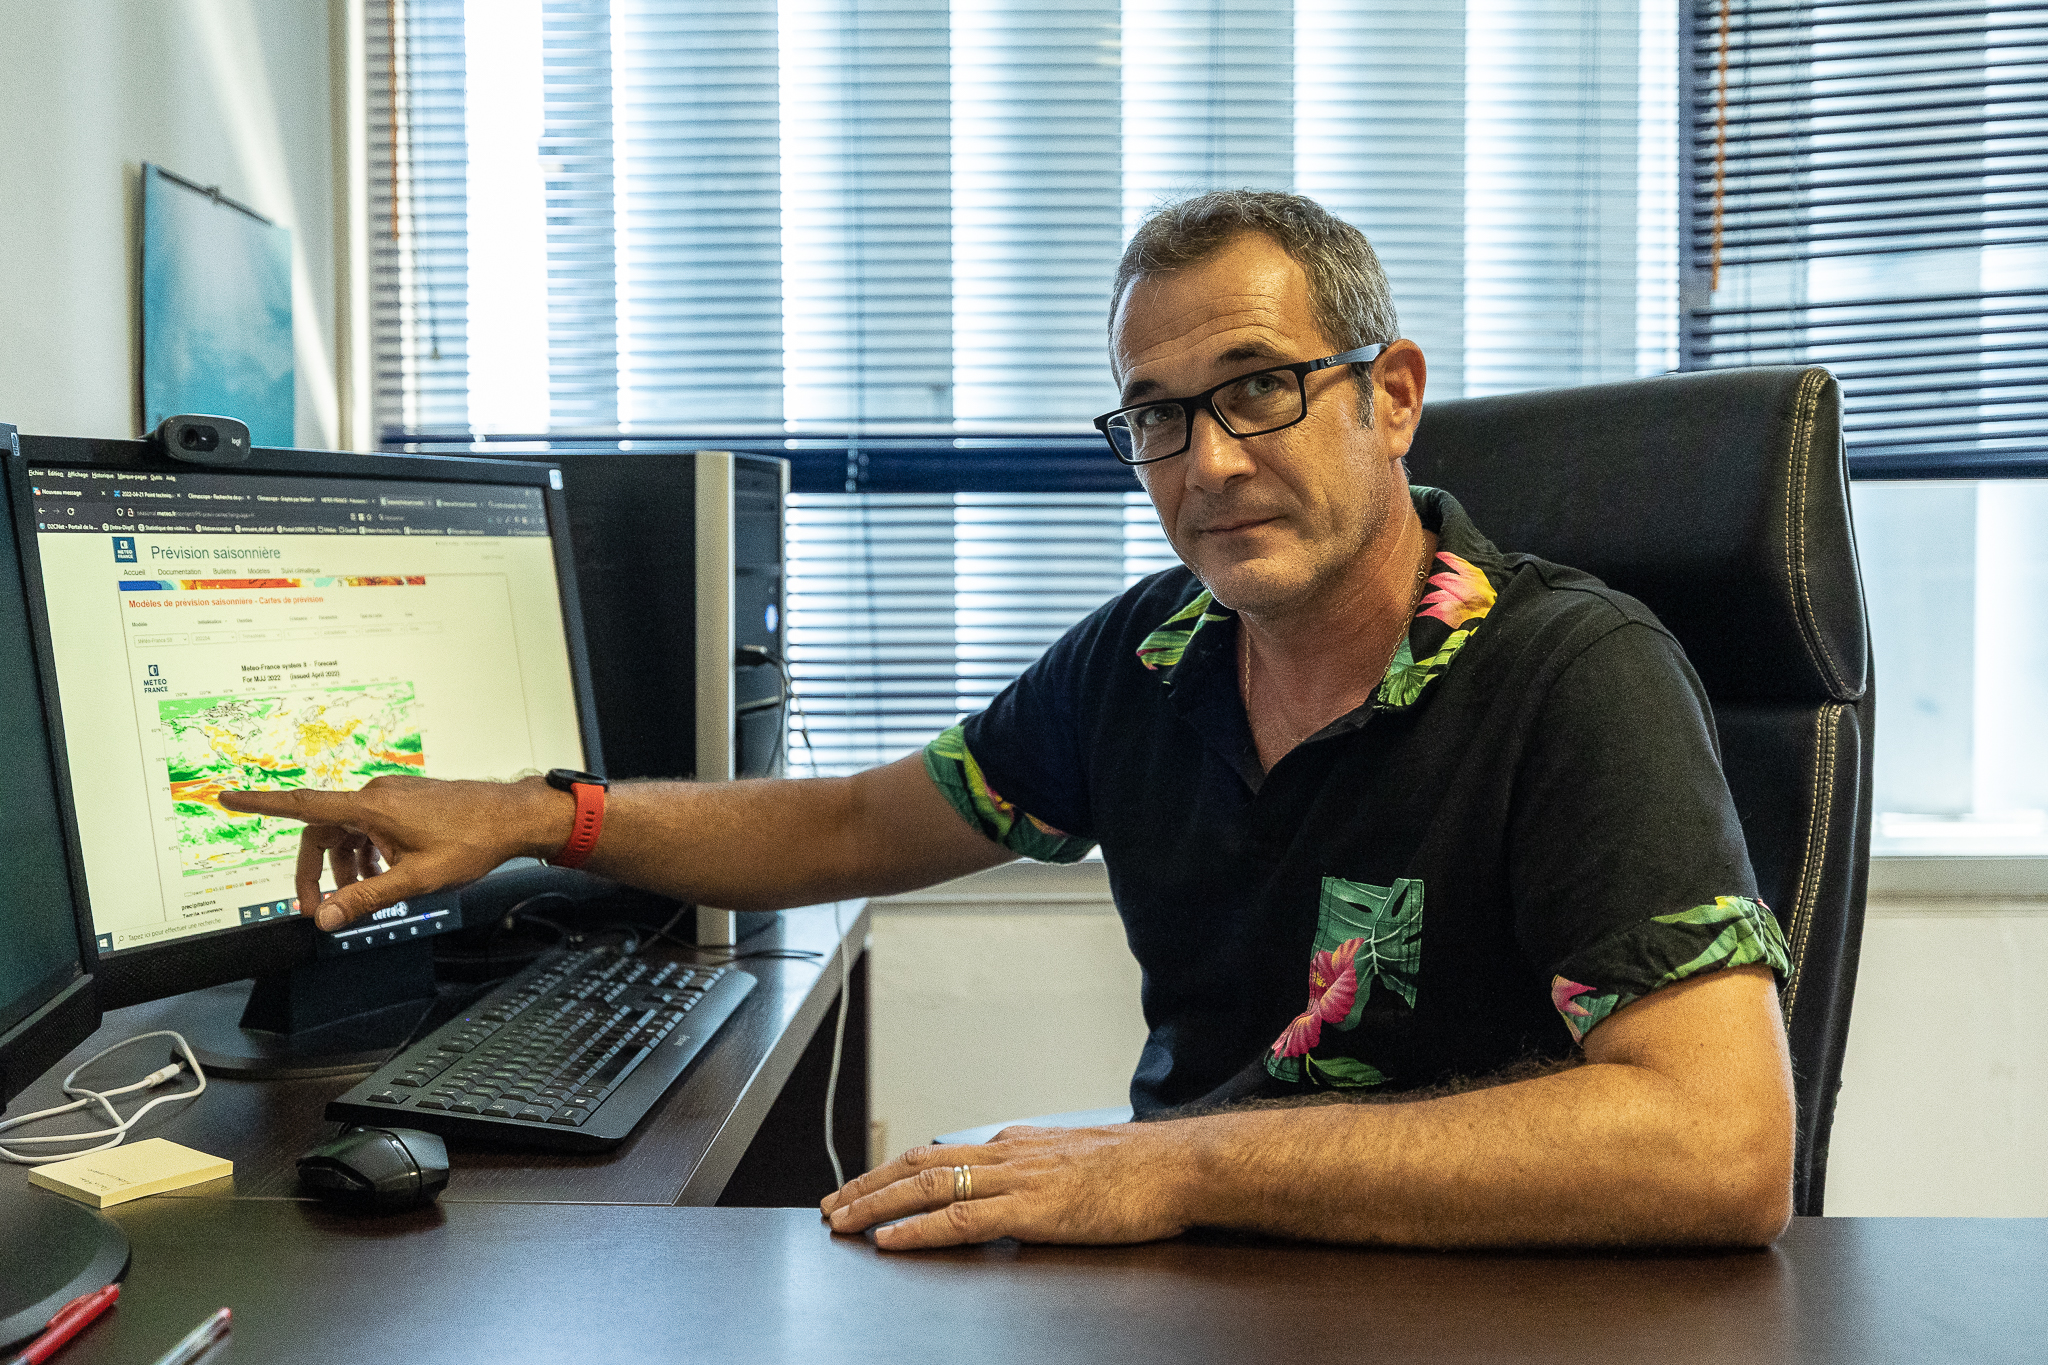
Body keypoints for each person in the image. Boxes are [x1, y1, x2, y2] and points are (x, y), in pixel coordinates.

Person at [222, 191, 1794, 1252]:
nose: (1208, 462)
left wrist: (1176, 1162)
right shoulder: (1152, 658)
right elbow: (850, 823)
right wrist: (532, 814)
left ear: (1390, 396)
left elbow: (1723, 1143)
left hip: (1485, 1309)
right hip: (1203, 1279)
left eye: (1258, 387)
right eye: (1158, 416)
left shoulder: (1574, 674)